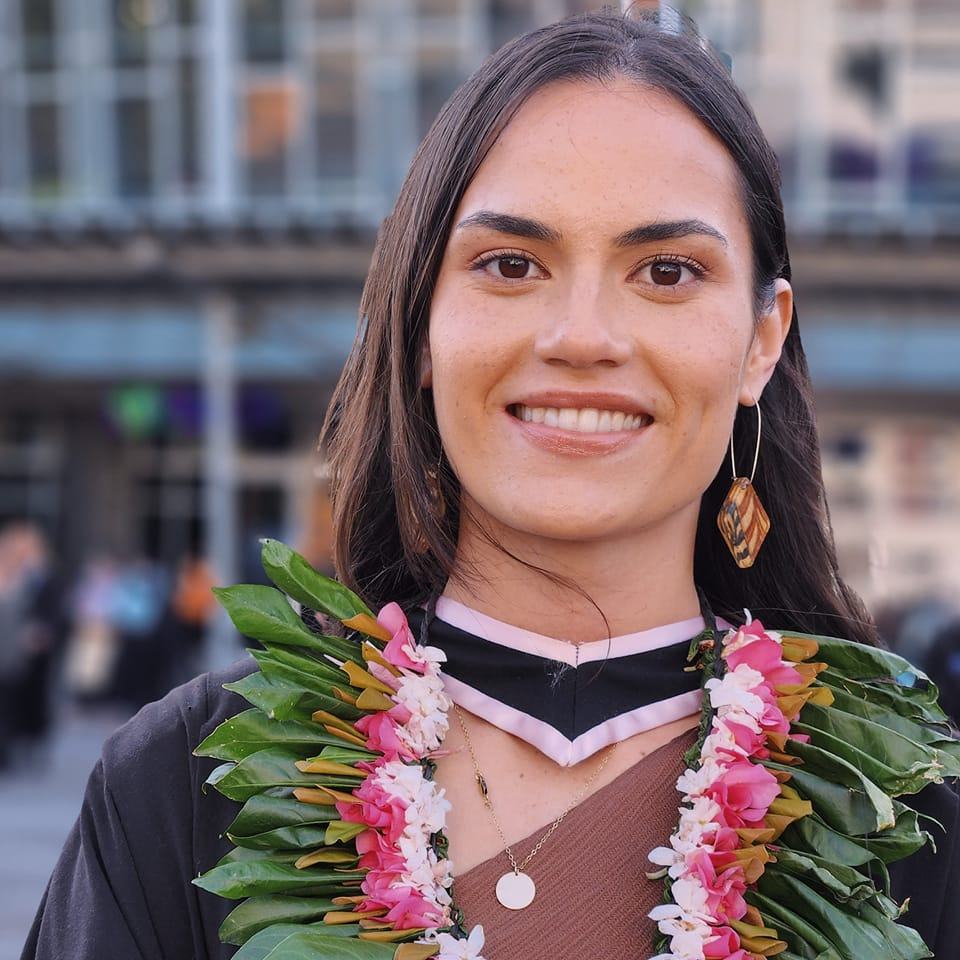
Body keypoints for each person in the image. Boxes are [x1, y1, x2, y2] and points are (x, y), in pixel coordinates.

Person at [21, 9, 960, 960]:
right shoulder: (190, 780)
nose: (583, 336)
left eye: (668, 271)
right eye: (510, 264)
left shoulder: (901, 810)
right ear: (422, 322)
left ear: (762, 339)